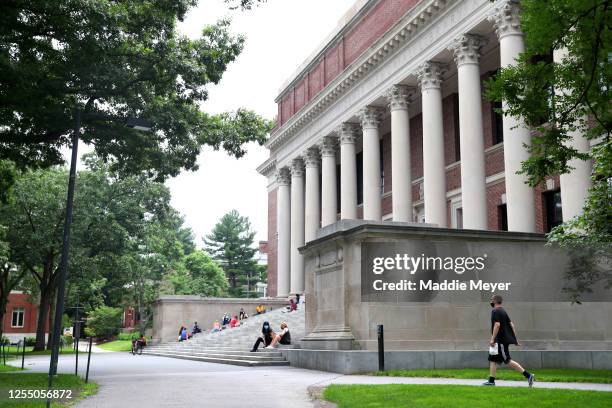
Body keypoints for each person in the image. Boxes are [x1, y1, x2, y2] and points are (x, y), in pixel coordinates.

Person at [483, 294, 535, 387]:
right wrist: (515, 339)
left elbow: (497, 325)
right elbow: (512, 325)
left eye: (491, 299)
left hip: (500, 341)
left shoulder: (495, 311)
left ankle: (529, 375)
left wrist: (492, 339)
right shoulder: (503, 311)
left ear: (495, 301)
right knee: (492, 359)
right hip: (500, 341)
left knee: (507, 360)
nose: (490, 301)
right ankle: (491, 381)